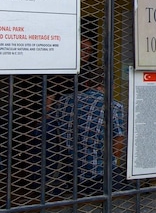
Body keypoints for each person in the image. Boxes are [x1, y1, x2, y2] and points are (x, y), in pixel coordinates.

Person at [46, 64, 125, 196]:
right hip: (100, 175)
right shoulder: (113, 106)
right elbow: (116, 150)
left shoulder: (65, 100)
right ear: (111, 85)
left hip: (69, 174)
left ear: (87, 82)